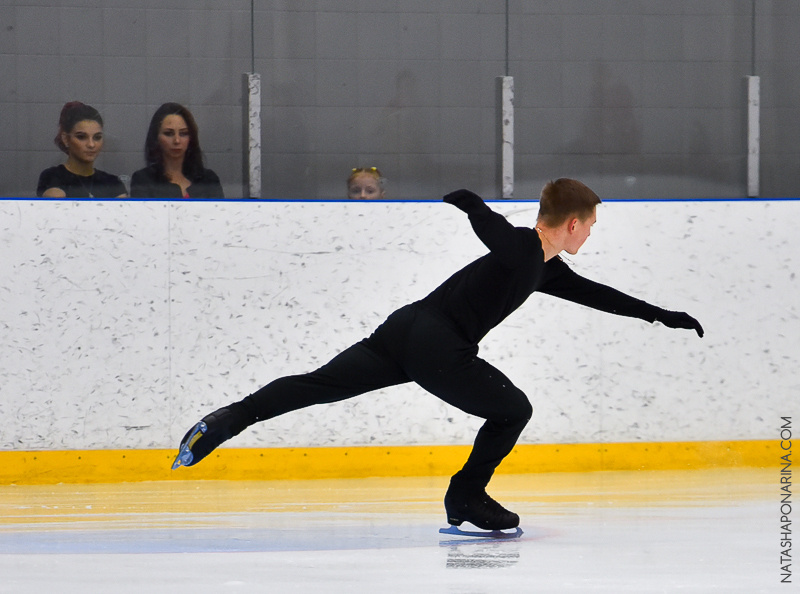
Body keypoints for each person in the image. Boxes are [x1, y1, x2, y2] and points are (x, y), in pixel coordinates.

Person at [172, 179, 704, 531]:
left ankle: (227, 420)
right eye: (589, 225)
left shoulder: (542, 265)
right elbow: (496, 231)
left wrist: (661, 314)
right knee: (512, 409)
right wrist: (473, 206)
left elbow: (599, 295)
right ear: (570, 223)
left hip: (406, 330)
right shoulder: (523, 246)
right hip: (438, 342)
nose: (590, 233)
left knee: (320, 384)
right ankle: (465, 497)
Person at [130, 103, 223, 198]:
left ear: (191, 138)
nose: (177, 140)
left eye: (183, 134)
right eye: (168, 134)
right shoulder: (143, 180)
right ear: (156, 138)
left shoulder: (208, 180)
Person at [37, 102, 128, 198]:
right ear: (66, 139)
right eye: (81, 137)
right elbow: (57, 208)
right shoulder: (53, 177)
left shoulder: (113, 183)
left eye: (97, 137)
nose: (91, 144)